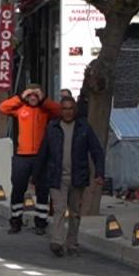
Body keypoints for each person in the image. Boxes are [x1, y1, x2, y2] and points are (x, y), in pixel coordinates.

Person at [41, 97, 105, 257]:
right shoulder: (52, 127)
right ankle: (57, 241)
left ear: (74, 110)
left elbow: (96, 151)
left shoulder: (84, 127)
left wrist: (99, 173)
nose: (67, 112)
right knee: (59, 209)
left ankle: (72, 243)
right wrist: (36, 175)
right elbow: (44, 153)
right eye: (64, 109)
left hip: (78, 177)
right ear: (60, 111)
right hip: (57, 177)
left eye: (70, 108)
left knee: (75, 212)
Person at [0, 85, 61, 234]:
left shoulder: (45, 111)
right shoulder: (21, 109)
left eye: (36, 95)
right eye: (30, 95)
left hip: (41, 156)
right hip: (22, 155)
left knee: (42, 190)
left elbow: (58, 110)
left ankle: (41, 223)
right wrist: (20, 97)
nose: (33, 98)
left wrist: (44, 99)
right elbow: (3, 108)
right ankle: (15, 221)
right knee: (18, 189)